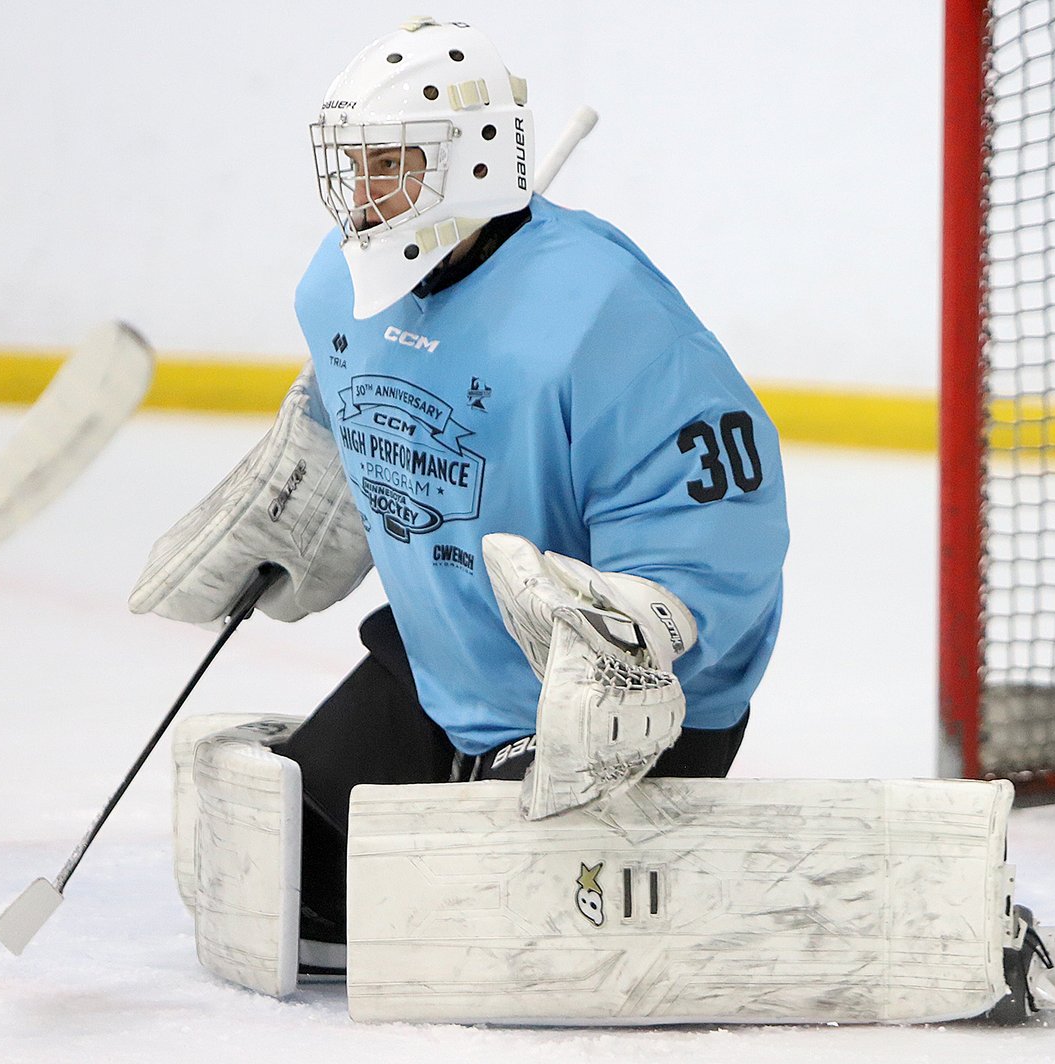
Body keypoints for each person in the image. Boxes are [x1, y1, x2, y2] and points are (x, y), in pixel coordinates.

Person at [131, 16, 788, 948]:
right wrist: (314, 475)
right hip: (450, 663)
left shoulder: (606, 315)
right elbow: (361, 404)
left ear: (473, 163)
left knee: (496, 931)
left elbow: (729, 514)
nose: (360, 195)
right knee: (295, 889)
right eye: (353, 165)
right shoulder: (338, 284)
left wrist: (645, 626)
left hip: (623, 709)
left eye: (389, 164)